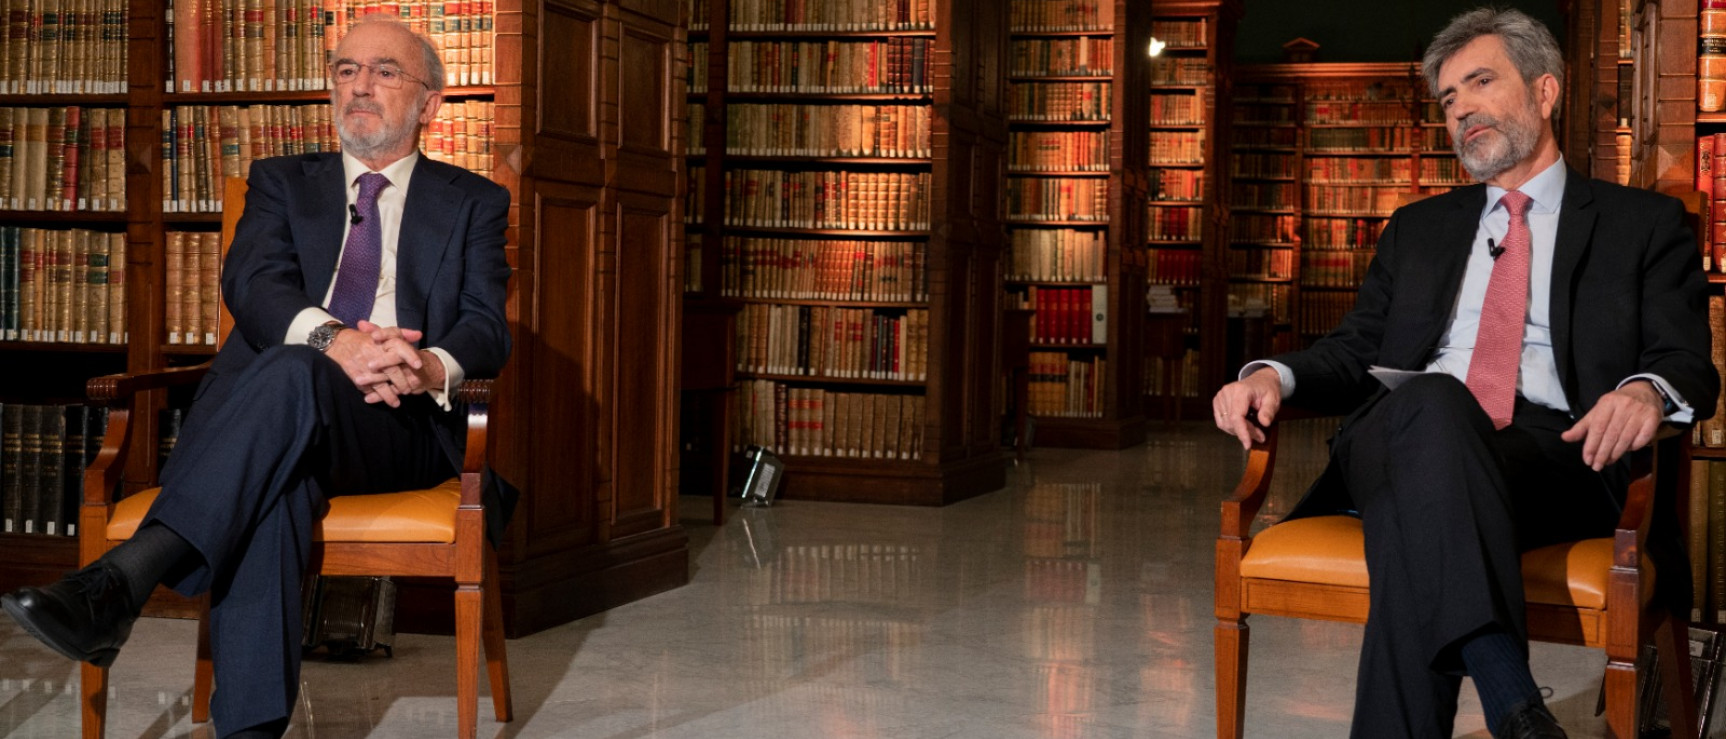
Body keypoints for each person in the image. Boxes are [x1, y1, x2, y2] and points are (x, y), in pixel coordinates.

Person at [0, 16, 512, 739]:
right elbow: (253, 285)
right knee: (278, 475)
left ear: (430, 102)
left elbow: (486, 326)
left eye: (384, 71)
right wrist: (338, 342)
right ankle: (248, 732)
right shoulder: (281, 182)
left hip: (394, 422)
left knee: (291, 383)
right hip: (284, 408)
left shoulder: (472, 200)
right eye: (345, 70)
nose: (359, 85)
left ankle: (122, 581)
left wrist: (428, 364)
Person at [1212, 8, 1718, 739]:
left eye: (1481, 83)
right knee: (1435, 403)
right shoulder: (1419, 227)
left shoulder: (1640, 224)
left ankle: (1511, 705)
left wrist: (1644, 390)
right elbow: (1355, 350)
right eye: (1449, 98)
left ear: (1545, 90)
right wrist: (1272, 377)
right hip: (1399, 434)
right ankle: (1512, 699)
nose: (1460, 110)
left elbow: (1686, 361)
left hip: (1555, 457)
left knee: (1416, 522)